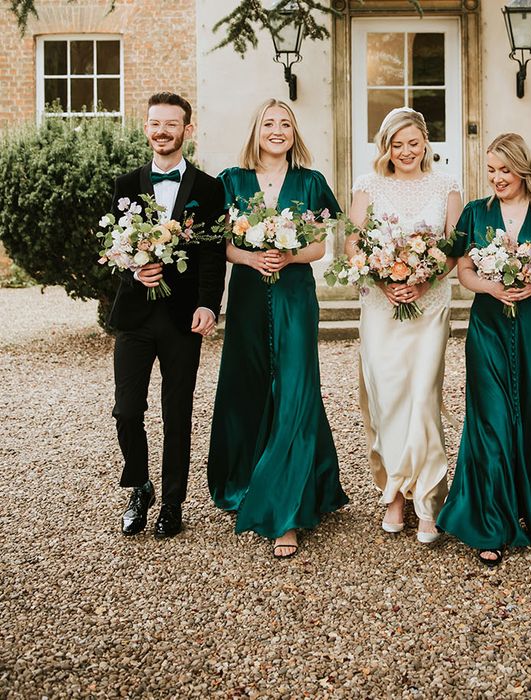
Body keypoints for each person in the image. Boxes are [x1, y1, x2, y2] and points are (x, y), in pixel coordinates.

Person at [207, 98, 348, 558]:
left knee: (296, 388)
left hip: (293, 296)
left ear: (294, 132)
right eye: (268, 123)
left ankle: (287, 511)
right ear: (256, 130)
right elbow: (224, 246)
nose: (276, 130)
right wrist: (251, 257)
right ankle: (247, 480)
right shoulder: (232, 181)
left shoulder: (311, 182)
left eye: (284, 123)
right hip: (248, 296)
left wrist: (288, 255)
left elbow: (320, 248)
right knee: (247, 386)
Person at [437, 133, 531, 565]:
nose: (497, 178)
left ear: (523, 169)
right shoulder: (476, 213)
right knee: (491, 420)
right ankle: (492, 521)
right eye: (491, 170)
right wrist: (493, 287)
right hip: (489, 328)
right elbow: (464, 273)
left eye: (505, 170)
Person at [111, 92, 226, 538]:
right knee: (126, 410)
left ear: (186, 130)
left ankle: (173, 502)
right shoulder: (125, 184)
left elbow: (214, 254)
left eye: (171, 124)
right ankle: (140, 486)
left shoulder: (209, 188)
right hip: (135, 317)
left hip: (183, 319)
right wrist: (134, 266)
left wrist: (207, 304)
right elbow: (114, 247)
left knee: (176, 412)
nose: (162, 131)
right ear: (146, 128)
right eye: (155, 124)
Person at [346, 107, 463, 543]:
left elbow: (454, 247)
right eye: (398, 144)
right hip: (380, 305)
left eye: (414, 143)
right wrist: (384, 278)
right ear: (386, 147)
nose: (407, 151)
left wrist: (424, 278)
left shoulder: (446, 185)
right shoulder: (368, 185)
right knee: (389, 396)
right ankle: (395, 492)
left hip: (429, 305)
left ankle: (428, 499)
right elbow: (353, 244)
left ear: (426, 144)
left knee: (422, 396)